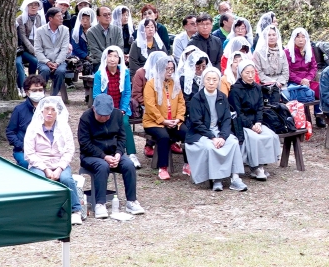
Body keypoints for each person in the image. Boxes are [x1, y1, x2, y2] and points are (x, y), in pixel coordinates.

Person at [79, 94, 145, 218]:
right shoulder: (86, 118)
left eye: (107, 116)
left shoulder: (117, 115)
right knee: (103, 166)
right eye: (101, 116)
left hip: (113, 153)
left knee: (129, 165)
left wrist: (119, 154)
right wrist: (104, 156)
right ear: (94, 109)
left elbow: (122, 137)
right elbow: (85, 144)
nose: (104, 118)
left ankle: (132, 201)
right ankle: (100, 204)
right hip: (91, 155)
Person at [185, 66, 248, 191]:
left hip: (219, 132)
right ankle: (216, 179)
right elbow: (196, 123)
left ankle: (235, 178)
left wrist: (223, 137)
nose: (211, 82)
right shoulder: (197, 98)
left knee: (233, 142)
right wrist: (213, 137)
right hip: (200, 134)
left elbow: (226, 119)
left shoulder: (222, 97)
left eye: (214, 79)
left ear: (218, 81)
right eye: (208, 79)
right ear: (203, 80)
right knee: (210, 146)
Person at [23, 96, 84, 225]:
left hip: (59, 163)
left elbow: (69, 150)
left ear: (58, 112)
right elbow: (29, 153)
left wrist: (59, 168)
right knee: (39, 179)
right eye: (46, 109)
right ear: (41, 111)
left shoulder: (64, 128)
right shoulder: (33, 128)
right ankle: (42, 212)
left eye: (53, 110)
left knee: (67, 179)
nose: (49, 113)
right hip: (39, 164)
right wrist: (45, 169)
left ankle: (76, 210)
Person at [228, 60, 282, 180]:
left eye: (253, 72)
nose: (251, 75)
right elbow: (237, 112)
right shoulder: (235, 90)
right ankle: (256, 167)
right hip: (241, 122)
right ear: (241, 73)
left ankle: (261, 165)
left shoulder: (257, 87)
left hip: (256, 121)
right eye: (247, 73)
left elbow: (260, 108)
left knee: (270, 135)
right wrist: (251, 125)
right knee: (254, 138)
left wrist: (258, 122)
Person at [91, 45, 140, 169]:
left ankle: (132, 154)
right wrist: (106, 110)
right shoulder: (99, 74)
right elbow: (97, 95)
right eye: (110, 56)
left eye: (115, 56)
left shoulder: (125, 72)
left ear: (120, 58)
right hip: (105, 109)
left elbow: (127, 92)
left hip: (121, 108)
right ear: (105, 58)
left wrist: (123, 109)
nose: (112, 59)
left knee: (124, 123)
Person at [143, 52, 188, 180]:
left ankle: (188, 163)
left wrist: (178, 119)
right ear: (160, 69)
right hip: (154, 122)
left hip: (174, 120)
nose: (169, 72)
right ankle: (163, 168)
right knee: (163, 136)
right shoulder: (151, 84)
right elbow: (150, 106)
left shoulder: (175, 83)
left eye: (171, 69)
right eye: (167, 69)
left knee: (186, 133)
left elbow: (181, 103)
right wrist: (163, 121)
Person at [6, 75, 44, 167]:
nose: (38, 92)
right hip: (23, 150)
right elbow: (10, 132)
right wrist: (22, 146)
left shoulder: (49, 108)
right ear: (27, 92)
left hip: (45, 150)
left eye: (40, 90)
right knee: (27, 164)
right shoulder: (19, 110)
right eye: (34, 90)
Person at [33, 7, 71, 96]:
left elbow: (64, 49)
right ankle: (41, 94)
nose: (61, 18)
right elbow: (37, 50)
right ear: (50, 18)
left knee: (61, 71)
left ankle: (53, 96)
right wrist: (47, 62)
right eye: (58, 16)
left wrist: (57, 63)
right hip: (44, 61)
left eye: (62, 16)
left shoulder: (65, 30)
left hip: (59, 61)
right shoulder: (40, 31)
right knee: (45, 71)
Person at [15, 0, 44, 97]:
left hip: (33, 48)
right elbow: (23, 37)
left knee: (34, 61)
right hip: (21, 49)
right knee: (18, 63)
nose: (33, 7)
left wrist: (39, 50)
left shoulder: (39, 18)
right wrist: (34, 51)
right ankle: (22, 87)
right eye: (31, 5)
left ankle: (31, 84)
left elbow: (40, 34)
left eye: (36, 5)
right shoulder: (20, 19)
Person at [285, 27, 320, 102]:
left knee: (322, 89)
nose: (300, 39)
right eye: (298, 37)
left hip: (308, 81)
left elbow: (313, 67)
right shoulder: (287, 52)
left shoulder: (309, 50)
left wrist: (308, 79)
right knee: (303, 93)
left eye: (303, 37)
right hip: (294, 82)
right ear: (294, 39)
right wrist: (300, 81)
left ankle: (319, 111)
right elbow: (287, 70)